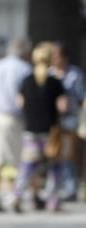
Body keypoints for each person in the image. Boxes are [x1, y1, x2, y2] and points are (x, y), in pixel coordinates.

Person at [15, 42, 67, 212]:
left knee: (28, 166)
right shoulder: (55, 82)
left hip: (31, 130)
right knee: (55, 166)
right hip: (51, 131)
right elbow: (63, 107)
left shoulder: (26, 80)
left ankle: (18, 195)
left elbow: (20, 103)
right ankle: (53, 201)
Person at [0, 37, 31, 212]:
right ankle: (14, 196)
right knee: (13, 160)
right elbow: (21, 98)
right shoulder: (24, 69)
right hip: (12, 117)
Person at [51, 42, 84, 200]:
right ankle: (53, 187)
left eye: (58, 56)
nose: (55, 60)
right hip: (51, 119)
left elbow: (81, 97)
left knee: (68, 154)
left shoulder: (75, 74)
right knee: (52, 154)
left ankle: (70, 188)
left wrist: (70, 103)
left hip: (69, 118)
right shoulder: (48, 73)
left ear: (65, 57)